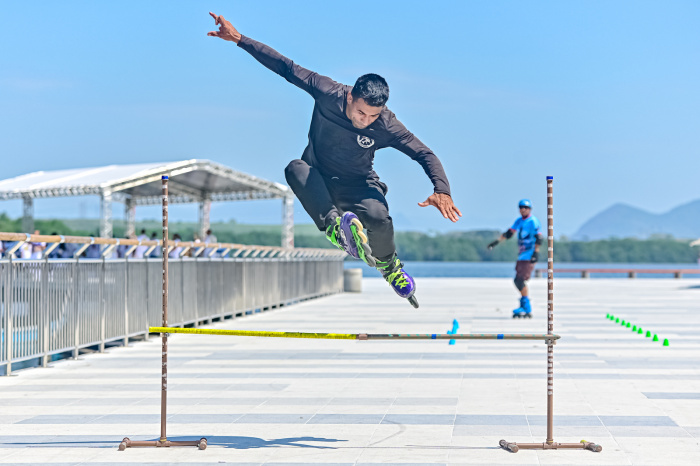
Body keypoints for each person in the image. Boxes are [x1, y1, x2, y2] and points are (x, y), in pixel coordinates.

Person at [207, 12, 462, 306]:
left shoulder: (387, 125)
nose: (365, 121)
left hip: (359, 185)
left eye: (372, 116)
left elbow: (424, 153)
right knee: (295, 168)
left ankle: (390, 267)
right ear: (351, 96)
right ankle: (335, 228)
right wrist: (239, 39)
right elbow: (286, 67)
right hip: (320, 182)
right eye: (361, 112)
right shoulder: (327, 91)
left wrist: (442, 189)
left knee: (379, 218)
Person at [487, 199, 542, 317]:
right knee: (517, 280)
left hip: (529, 254)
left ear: (530, 209)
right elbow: (509, 234)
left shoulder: (533, 221)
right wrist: (495, 242)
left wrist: (536, 253)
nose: (523, 209)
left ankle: (526, 307)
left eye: (525, 207)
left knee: (521, 280)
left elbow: (539, 238)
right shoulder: (519, 221)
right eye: (521, 207)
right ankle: (524, 304)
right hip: (521, 255)